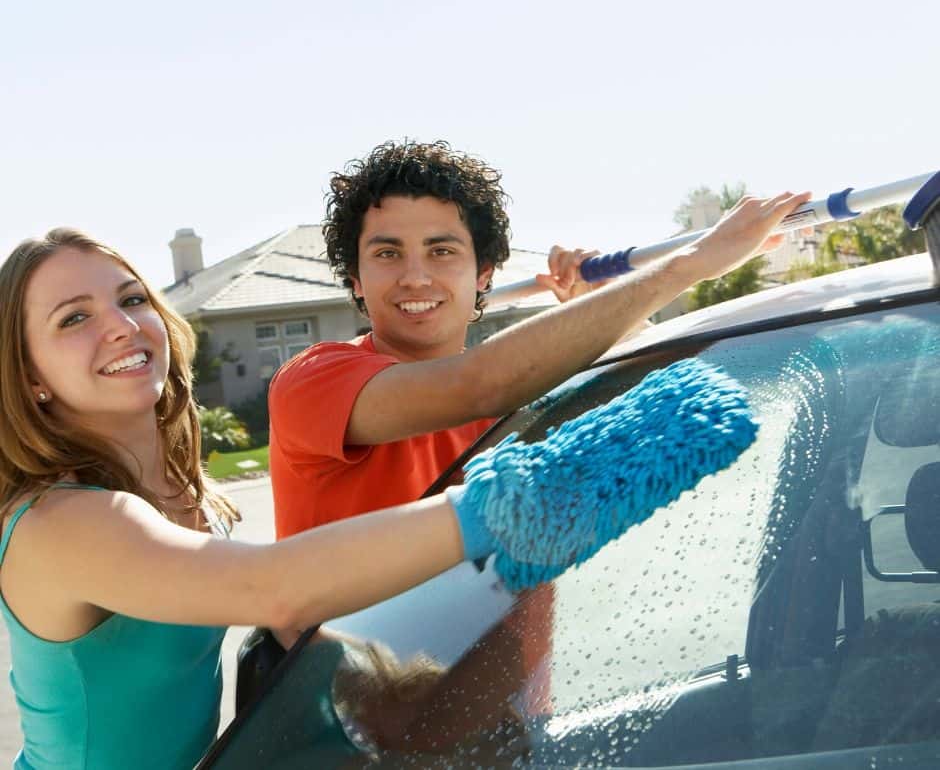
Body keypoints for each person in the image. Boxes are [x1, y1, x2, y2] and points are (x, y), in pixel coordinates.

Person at [0, 228, 597, 769]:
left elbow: (274, 614)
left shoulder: (178, 488)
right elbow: (272, 588)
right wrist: (505, 502)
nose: (122, 326)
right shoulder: (59, 522)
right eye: (73, 319)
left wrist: (404, 687)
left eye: (132, 299)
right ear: (30, 377)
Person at [266, 141, 809, 717]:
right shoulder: (313, 381)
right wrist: (690, 263)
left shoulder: (527, 386)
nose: (415, 276)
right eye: (387, 253)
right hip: (350, 729)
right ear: (354, 278)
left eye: (441, 250)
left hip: (509, 724)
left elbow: (669, 405)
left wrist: (606, 309)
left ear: (484, 274)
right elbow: (476, 384)